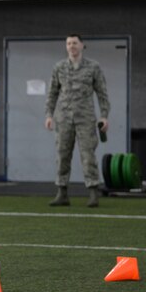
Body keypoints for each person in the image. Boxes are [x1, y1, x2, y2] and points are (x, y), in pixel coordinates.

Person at [45, 34, 110, 207]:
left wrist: (104, 115)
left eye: (74, 43)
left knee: (88, 156)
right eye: (68, 43)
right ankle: (62, 193)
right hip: (63, 119)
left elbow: (102, 93)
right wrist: (49, 115)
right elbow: (52, 93)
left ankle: (93, 193)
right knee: (62, 155)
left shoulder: (93, 67)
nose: (71, 46)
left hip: (86, 119)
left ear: (82, 46)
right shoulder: (59, 67)